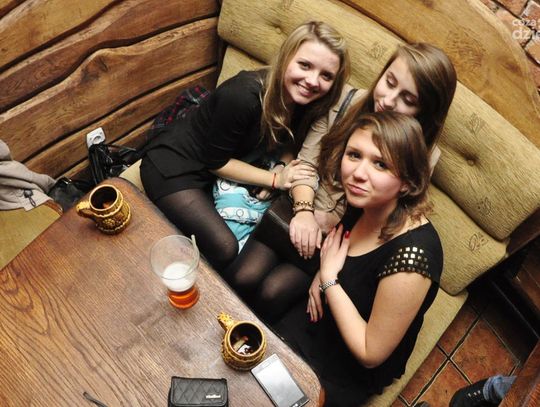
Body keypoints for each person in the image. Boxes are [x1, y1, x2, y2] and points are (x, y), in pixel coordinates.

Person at [224, 43, 455, 318]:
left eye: (408, 99)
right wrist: (304, 211)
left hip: (336, 242)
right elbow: (306, 163)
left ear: (425, 111)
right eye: (389, 82)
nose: (388, 100)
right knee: (243, 276)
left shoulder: (424, 154)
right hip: (296, 211)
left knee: (272, 293)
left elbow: (384, 218)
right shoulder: (344, 101)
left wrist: (328, 269)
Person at [138, 21, 350, 269]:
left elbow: (291, 143)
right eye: (305, 65)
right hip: (174, 166)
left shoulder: (307, 101)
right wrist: (275, 180)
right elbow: (216, 162)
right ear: (286, 57)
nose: (313, 80)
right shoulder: (244, 94)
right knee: (226, 248)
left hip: (216, 172)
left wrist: (282, 165)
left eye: (326, 76)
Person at [277, 111, 443, 406]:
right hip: (319, 320)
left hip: (346, 367)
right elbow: (339, 250)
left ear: (407, 182)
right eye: (354, 155)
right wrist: (321, 275)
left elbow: (370, 353)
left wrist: (329, 279)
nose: (358, 173)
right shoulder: (365, 200)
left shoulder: (414, 256)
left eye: (381, 164)